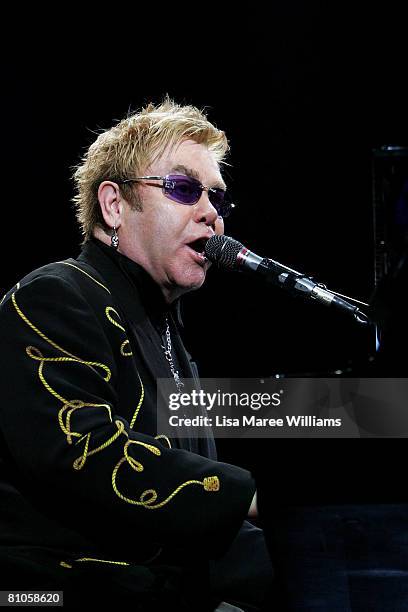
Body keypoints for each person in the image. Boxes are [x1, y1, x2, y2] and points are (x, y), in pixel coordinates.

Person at [0, 99, 273, 610]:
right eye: (183, 188)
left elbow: (214, 442)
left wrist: (354, 416)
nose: (211, 212)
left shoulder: (164, 329)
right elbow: (82, 453)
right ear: (113, 206)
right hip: (47, 591)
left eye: (216, 197)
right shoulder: (56, 296)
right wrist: (245, 496)